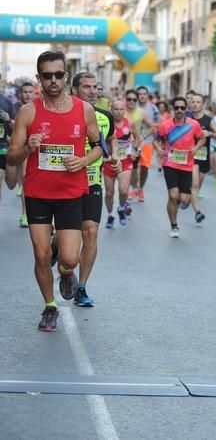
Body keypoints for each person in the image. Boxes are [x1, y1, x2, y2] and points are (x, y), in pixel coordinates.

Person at [6, 50, 102, 331]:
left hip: (71, 194)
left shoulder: (83, 109)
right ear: (39, 78)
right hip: (38, 195)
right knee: (41, 256)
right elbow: (11, 158)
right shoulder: (28, 111)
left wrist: (83, 160)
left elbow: (100, 147)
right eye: (47, 75)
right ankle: (50, 306)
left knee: (70, 259)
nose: (53, 80)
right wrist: (28, 148)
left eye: (58, 75)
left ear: (66, 76)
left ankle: (67, 270)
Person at [71, 72, 117, 307]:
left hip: (92, 182)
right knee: (65, 243)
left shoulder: (105, 116)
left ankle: (81, 287)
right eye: (86, 86)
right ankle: (65, 263)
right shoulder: (66, 114)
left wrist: (115, 157)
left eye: (95, 87)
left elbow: (111, 140)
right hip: (65, 185)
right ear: (74, 90)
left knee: (90, 233)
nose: (92, 91)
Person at [154, 96, 205, 238]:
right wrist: (158, 148)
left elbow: (202, 138)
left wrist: (196, 147)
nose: (179, 110)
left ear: (186, 109)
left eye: (182, 108)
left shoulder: (193, 125)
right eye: (176, 108)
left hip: (187, 165)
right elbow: (156, 140)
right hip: (170, 164)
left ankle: (176, 205)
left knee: (184, 199)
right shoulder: (166, 125)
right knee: (173, 195)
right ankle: (174, 225)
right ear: (173, 109)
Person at [104, 99, 140, 228]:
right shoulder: (106, 124)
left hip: (125, 161)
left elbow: (137, 138)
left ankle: (121, 207)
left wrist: (135, 149)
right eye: (116, 109)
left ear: (124, 110)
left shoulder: (129, 123)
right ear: (111, 110)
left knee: (123, 191)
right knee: (109, 193)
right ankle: (110, 215)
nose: (119, 112)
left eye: (121, 109)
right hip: (109, 161)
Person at [188, 94, 216, 223]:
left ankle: (189, 198)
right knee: (194, 184)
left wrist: (210, 133)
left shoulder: (208, 120)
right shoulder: (186, 118)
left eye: (198, 102)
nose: (195, 104)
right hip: (190, 156)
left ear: (202, 105)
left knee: (198, 183)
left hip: (203, 156)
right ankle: (198, 213)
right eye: (193, 102)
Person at [124, 89, 156, 202]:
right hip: (124, 145)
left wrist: (143, 136)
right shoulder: (120, 111)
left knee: (144, 169)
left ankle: (141, 188)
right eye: (129, 99)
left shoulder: (141, 112)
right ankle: (134, 188)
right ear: (125, 100)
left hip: (138, 143)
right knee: (132, 168)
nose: (131, 101)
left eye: (134, 99)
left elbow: (153, 127)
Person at [14, 82, 37, 227]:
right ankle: (24, 213)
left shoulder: (38, 108)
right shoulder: (15, 108)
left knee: (29, 180)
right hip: (20, 147)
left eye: (30, 92)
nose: (28, 94)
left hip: (37, 148)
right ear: (20, 94)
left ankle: (27, 214)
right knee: (21, 180)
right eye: (25, 92)